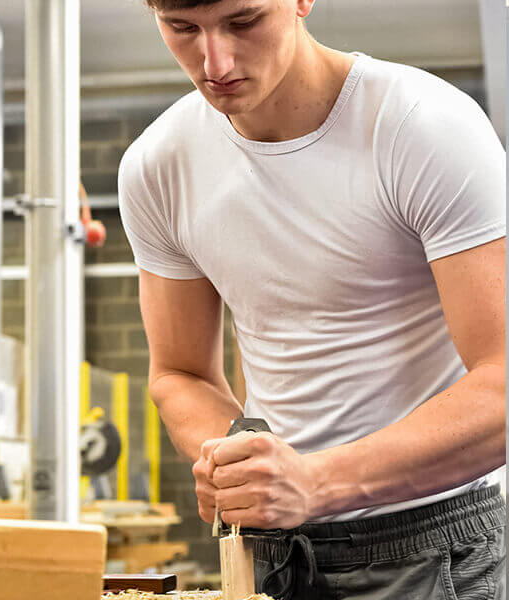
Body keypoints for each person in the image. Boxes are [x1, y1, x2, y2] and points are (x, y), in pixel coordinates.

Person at [117, 0, 506, 597]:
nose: (213, 60)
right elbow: (180, 373)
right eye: (182, 29)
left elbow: (502, 383)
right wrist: (235, 469)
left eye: (243, 22)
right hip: (271, 549)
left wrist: (316, 482)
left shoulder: (421, 125)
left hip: (432, 543)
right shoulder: (157, 165)